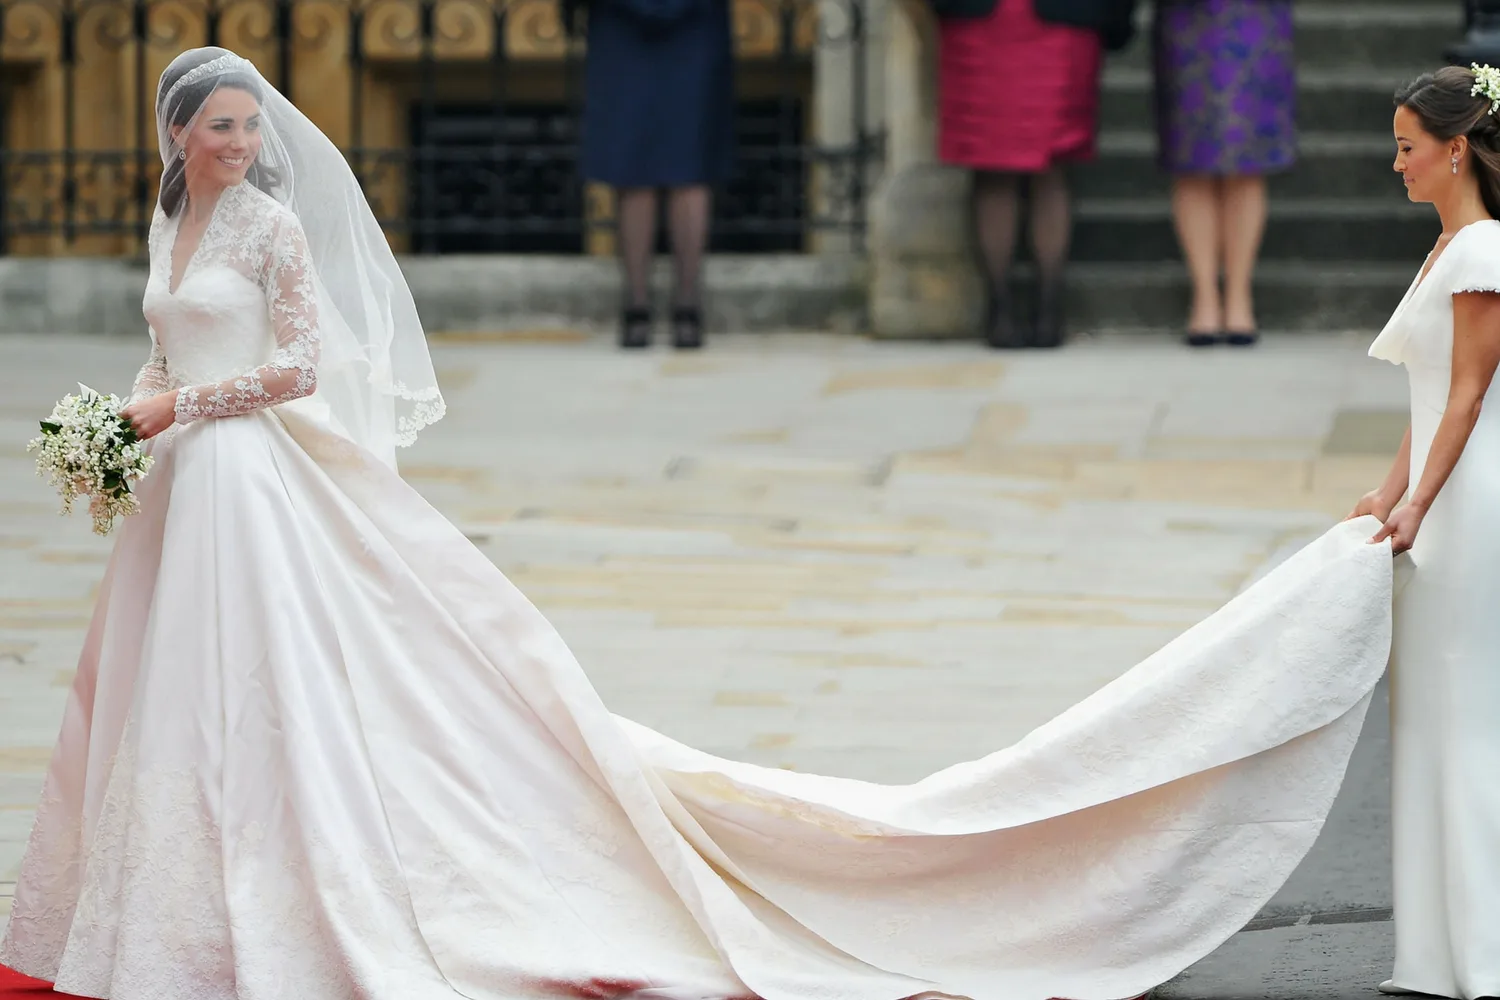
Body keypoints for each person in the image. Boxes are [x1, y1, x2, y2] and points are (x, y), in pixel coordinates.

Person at [0, 46, 1403, 1000]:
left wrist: (183, 415)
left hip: (250, 476)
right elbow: (162, 354)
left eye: (253, 124)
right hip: (185, 483)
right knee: (165, 693)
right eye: (221, 126)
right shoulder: (169, 226)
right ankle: (165, 899)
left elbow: (304, 367)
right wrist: (124, 422)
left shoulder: (271, 232)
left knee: (273, 684)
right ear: (179, 136)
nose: (241, 143)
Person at [1350, 65, 1500, 1000]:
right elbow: (1426, 392)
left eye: (1408, 147)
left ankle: (1485, 956)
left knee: (1468, 720)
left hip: (1475, 502)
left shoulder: (1483, 251)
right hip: (1442, 495)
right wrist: (1387, 489)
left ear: (1455, 150)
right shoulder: (1447, 247)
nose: (1395, 163)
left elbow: (1470, 393)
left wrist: (1421, 501)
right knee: (1429, 720)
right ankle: (1436, 959)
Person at [935, 0, 1135, 350]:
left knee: (1054, 160)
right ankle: (1001, 307)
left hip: (1063, 25)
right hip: (984, 25)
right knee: (993, 160)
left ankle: (1049, 306)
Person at [574, 0, 734, 351]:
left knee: (687, 162)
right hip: (630, 31)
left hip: (686, 29)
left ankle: (669, 305)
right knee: (638, 164)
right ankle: (652, 305)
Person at [1151, 0, 1296, 347]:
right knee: (1190, 155)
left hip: (1255, 17)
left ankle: (1238, 295)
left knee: (1247, 157)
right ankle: (1204, 295)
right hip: (1187, 20)